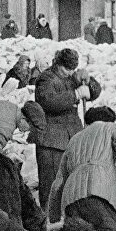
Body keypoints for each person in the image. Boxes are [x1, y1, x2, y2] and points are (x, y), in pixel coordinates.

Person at [47, 106, 116, 231]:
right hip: (99, 191)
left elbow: (58, 183)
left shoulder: (74, 140)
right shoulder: (111, 128)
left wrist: (53, 217)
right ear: (111, 121)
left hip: (70, 198)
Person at [31, 48, 101, 208]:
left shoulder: (71, 78)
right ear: (57, 64)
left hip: (71, 140)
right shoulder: (46, 79)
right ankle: (49, 223)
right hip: (51, 143)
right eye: (66, 69)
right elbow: (49, 101)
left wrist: (88, 81)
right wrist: (75, 95)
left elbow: (95, 93)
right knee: (51, 187)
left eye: (72, 69)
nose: (69, 73)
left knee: (71, 185)